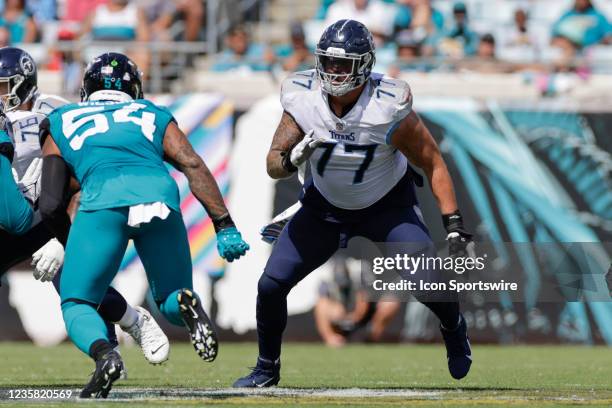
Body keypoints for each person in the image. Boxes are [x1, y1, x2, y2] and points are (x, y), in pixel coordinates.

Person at [233, 20, 474, 388]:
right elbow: (273, 165)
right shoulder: (302, 97)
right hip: (324, 208)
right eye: (328, 62)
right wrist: (291, 158)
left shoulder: (388, 105)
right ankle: (267, 368)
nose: (333, 71)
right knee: (270, 285)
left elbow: (432, 161)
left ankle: (454, 328)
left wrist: (454, 224)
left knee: (430, 285)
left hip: (386, 207)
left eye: (343, 64)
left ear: (364, 65)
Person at [39, 52, 249, 398]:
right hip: (159, 198)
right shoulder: (150, 113)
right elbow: (192, 164)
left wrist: (62, 239)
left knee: (77, 301)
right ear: (134, 88)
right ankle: (185, 301)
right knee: (170, 295)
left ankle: (106, 356)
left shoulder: (63, 119)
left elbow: (49, 200)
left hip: (103, 203)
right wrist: (223, 224)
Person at [0, 47, 170, 378]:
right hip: (14, 215)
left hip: (51, 211)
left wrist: (61, 232)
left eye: (3, 86)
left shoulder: (57, 112)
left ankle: (131, 325)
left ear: (23, 83)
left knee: (74, 284)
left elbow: (81, 173)